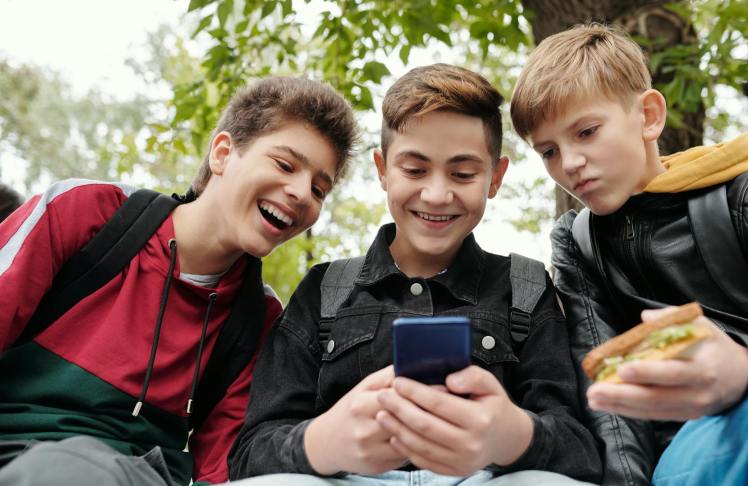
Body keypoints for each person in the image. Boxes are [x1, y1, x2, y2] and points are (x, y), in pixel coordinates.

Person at [228, 63, 602, 486]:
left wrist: (512, 436)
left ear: (495, 178)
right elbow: (250, 453)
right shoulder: (324, 290)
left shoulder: (526, 287)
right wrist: (322, 441)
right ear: (383, 170)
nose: (437, 194)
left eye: (463, 174)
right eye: (414, 170)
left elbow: (581, 451)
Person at [510, 23, 748, 486]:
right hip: (686, 451)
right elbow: (607, 397)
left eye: (586, 132)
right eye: (548, 151)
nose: (568, 164)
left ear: (648, 116)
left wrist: (745, 367)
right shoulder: (577, 242)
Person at [0, 76, 359, 485]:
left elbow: (223, 468)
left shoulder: (257, 320)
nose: (301, 193)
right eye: (284, 164)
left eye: (318, 189)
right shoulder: (86, 213)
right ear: (223, 153)